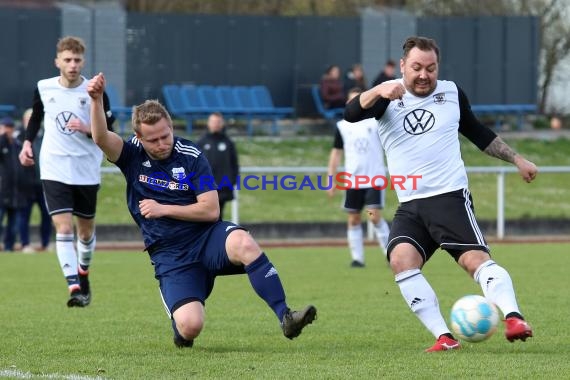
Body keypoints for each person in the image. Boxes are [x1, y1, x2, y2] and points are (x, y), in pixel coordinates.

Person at [87, 72, 317, 348]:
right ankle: (181, 327)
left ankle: (286, 316)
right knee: (191, 326)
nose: (162, 144)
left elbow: (211, 211)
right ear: (139, 137)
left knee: (244, 241)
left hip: (207, 238)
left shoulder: (192, 155)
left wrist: (163, 208)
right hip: (171, 253)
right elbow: (100, 137)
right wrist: (96, 99)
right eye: (153, 140)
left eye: (165, 135)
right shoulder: (130, 154)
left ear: (171, 127)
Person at [344, 36, 536, 352]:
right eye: (417, 67)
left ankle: (514, 318)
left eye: (430, 68)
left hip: (449, 197)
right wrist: (378, 90)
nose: (424, 75)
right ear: (403, 66)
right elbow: (350, 114)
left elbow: (477, 132)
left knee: (475, 262)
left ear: (438, 67)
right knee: (400, 260)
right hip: (410, 205)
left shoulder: (451, 92)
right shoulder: (387, 95)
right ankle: (444, 338)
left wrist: (516, 158)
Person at [18, 36, 115, 307]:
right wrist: (27, 143)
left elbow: (110, 129)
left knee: (84, 232)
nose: (73, 65)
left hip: (85, 169)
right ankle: (74, 287)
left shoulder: (94, 90)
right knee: (62, 227)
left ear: (83, 62)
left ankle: (83, 273)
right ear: (57, 61)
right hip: (54, 166)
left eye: (77, 60)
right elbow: (37, 116)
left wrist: (86, 128)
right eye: (68, 60)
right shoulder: (44, 87)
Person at [327, 88, 390, 268]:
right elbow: (336, 154)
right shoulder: (343, 126)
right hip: (353, 182)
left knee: (373, 216)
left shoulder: (376, 122)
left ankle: (390, 254)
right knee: (353, 219)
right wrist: (330, 179)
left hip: (373, 180)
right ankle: (357, 259)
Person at [17, 108, 52, 253]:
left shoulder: (46, 138)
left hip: (44, 184)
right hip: (26, 185)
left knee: (47, 215)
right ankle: (25, 244)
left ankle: (46, 243)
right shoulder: (18, 139)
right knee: (24, 215)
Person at [196, 112, 239, 220]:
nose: (216, 124)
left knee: (218, 216)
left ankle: (218, 236)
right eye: (213, 122)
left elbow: (234, 164)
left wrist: (232, 181)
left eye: (218, 122)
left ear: (222, 124)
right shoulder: (201, 142)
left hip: (222, 187)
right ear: (208, 123)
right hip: (205, 188)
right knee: (205, 217)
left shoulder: (228, 143)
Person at [0, 117, 28, 252]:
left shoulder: (17, 145)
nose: (8, 130)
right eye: (5, 127)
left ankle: (9, 247)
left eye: (10, 127)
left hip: (16, 191)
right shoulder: (1, 144)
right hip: (2, 190)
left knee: (13, 223)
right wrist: (2, 139)